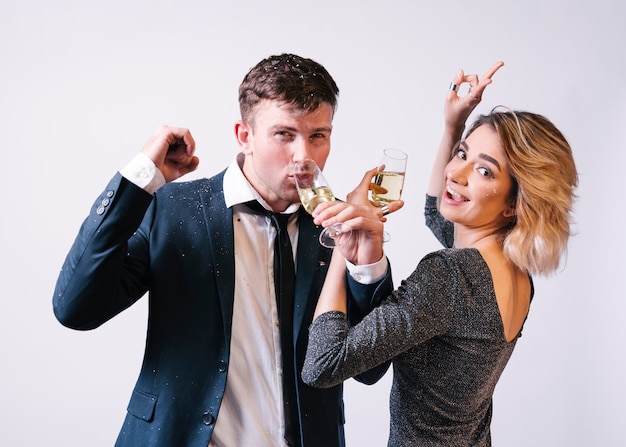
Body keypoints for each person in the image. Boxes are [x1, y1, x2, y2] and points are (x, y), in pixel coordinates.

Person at [52, 53, 396, 447]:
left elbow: (370, 371)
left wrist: (367, 262)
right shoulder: (171, 208)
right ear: (244, 136)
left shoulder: (340, 228)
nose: (304, 156)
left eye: (318, 135)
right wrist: (139, 180)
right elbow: (75, 308)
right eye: (284, 134)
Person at [302, 61, 579, 446]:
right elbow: (436, 210)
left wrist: (341, 236)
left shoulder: (449, 275)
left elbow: (323, 364)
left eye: (485, 172)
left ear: (515, 203)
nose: (456, 173)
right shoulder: (515, 270)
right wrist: (453, 126)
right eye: (462, 154)